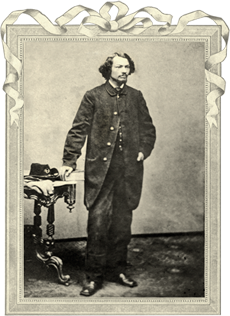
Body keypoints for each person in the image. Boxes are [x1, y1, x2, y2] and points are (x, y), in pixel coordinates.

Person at [60, 52, 156, 296]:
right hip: (101, 172)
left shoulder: (136, 96)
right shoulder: (93, 96)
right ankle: (93, 278)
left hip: (128, 171)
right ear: (108, 69)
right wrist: (69, 160)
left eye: (127, 66)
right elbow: (78, 130)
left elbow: (148, 128)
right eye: (119, 66)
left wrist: (143, 151)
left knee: (122, 225)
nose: (124, 70)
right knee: (98, 224)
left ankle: (117, 270)